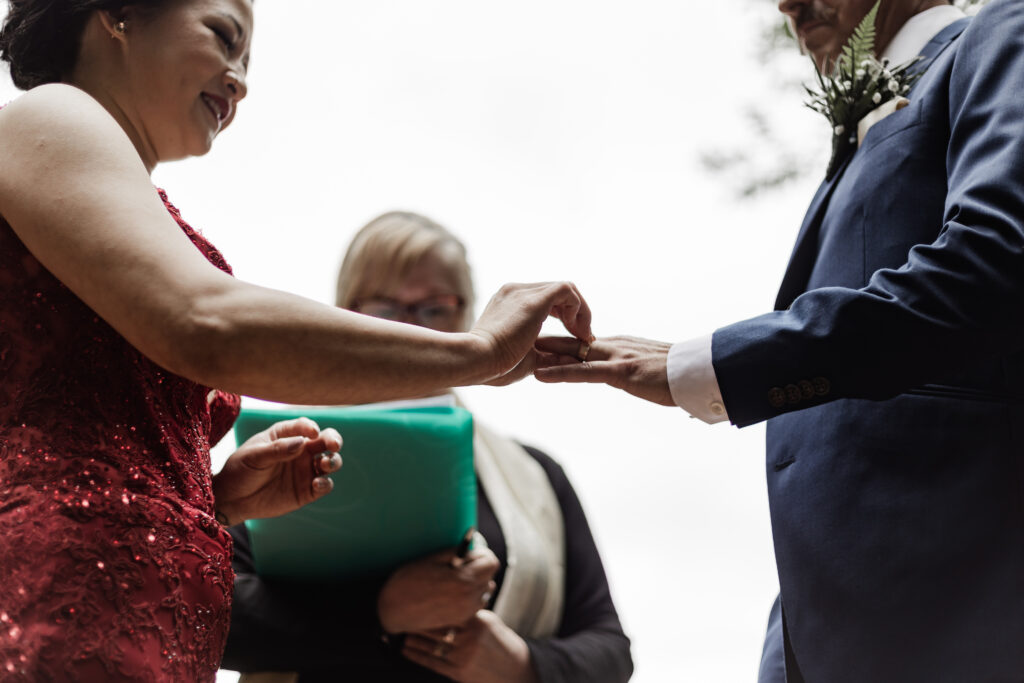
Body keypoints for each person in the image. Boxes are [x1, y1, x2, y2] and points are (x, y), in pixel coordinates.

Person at [0, 1, 592, 680]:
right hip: (60, 610)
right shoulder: (50, 114)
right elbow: (204, 323)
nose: (240, 80)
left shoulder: (116, 191)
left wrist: (212, 498)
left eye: (247, 59)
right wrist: (480, 351)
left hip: (140, 627)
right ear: (120, 13)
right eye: (224, 37)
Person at [535, 0, 1024, 681]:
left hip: (966, 614)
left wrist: (702, 364)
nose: (786, 3)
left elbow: (995, 266)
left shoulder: (1000, 34)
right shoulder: (854, 138)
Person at [222, 211, 633, 683]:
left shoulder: (537, 476)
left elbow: (609, 648)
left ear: (469, 318)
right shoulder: (293, 453)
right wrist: (380, 612)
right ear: (343, 316)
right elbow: (216, 615)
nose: (412, 327)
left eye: (434, 308)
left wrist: (524, 665)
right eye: (383, 308)